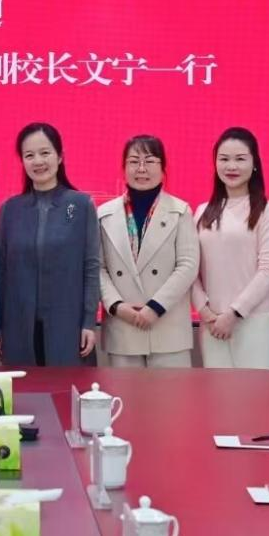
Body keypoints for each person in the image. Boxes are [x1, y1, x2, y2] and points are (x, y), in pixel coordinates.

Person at [0, 122, 100, 367]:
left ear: (60, 156)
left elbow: (91, 267)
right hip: (18, 325)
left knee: (65, 388)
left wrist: (89, 321)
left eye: (45, 153)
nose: (38, 161)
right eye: (29, 155)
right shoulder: (10, 209)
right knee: (24, 388)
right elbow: (0, 271)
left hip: (68, 325)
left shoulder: (81, 205)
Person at [97, 134, 199, 368]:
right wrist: (116, 306)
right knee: (125, 393)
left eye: (150, 161)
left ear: (163, 169)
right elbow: (98, 268)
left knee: (170, 393)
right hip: (123, 327)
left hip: (167, 327)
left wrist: (155, 307)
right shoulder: (104, 214)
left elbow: (188, 265)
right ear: (123, 168)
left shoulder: (180, 211)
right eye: (134, 161)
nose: (141, 169)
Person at [192, 127, 269, 370]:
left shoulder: (268, 211)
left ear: (254, 164)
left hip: (255, 318)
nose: (231, 166)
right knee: (217, 390)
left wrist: (234, 313)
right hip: (212, 321)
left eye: (240, 159)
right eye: (224, 159)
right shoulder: (202, 212)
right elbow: (190, 267)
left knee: (256, 391)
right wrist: (204, 310)